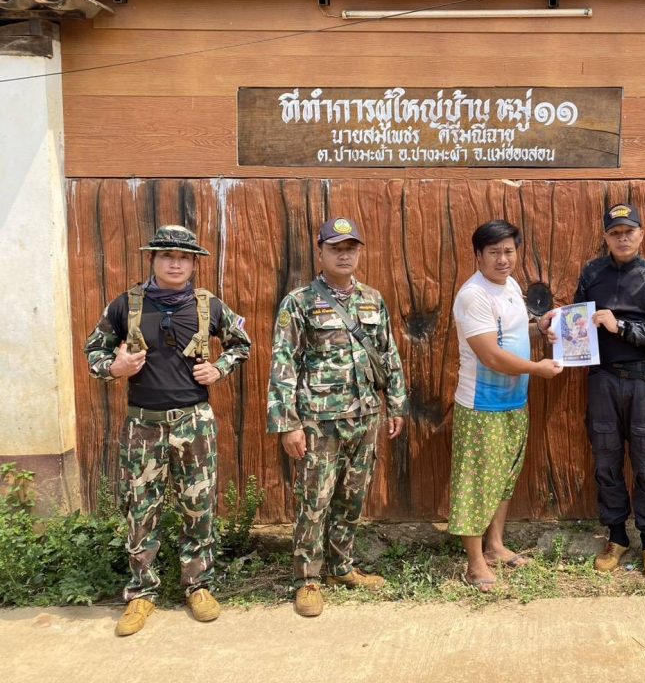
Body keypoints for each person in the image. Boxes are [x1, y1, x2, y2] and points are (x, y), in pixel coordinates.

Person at [84, 224, 251, 636]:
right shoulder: (125, 305)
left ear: (193, 264)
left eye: (183, 258)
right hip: (143, 425)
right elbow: (94, 351)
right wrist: (116, 367)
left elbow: (241, 344)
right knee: (140, 510)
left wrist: (219, 368)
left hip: (194, 422)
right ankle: (142, 592)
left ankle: (198, 585)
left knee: (199, 507)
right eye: (167, 256)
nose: (175, 264)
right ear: (153, 260)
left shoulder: (210, 306)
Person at [267, 217, 407, 617]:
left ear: (359, 252)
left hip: (365, 416)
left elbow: (388, 353)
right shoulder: (299, 302)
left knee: (351, 497)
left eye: (351, 248)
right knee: (315, 501)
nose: (344, 255)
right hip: (319, 422)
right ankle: (307, 579)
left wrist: (396, 403)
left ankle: (341, 567)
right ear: (321, 252)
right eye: (335, 248)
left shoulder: (372, 300)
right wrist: (288, 424)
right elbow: (283, 364)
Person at [544, 203, 645, 580]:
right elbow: (579, 324)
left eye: (628, 232)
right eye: (615, 233)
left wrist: (620, 326)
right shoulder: (593, 273)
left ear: (641, 234)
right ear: (605, 237)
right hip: (602, 378)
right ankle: (617, 536)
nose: (622, 238)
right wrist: (559, 332)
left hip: (643, 381)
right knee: (606, 460)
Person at [450, 219, 563, 592]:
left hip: (514, 400)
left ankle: (495, 547)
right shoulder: (474, 295)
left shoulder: (510, 285)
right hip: (482, 405)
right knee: (475, 482)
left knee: (503, 478)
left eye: (509, 251)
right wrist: (537, 368)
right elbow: (491, 356)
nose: (503, 259)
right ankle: (475, 563)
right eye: (494, 252)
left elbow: (510, 333)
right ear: (478, 255)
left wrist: (540, 328)